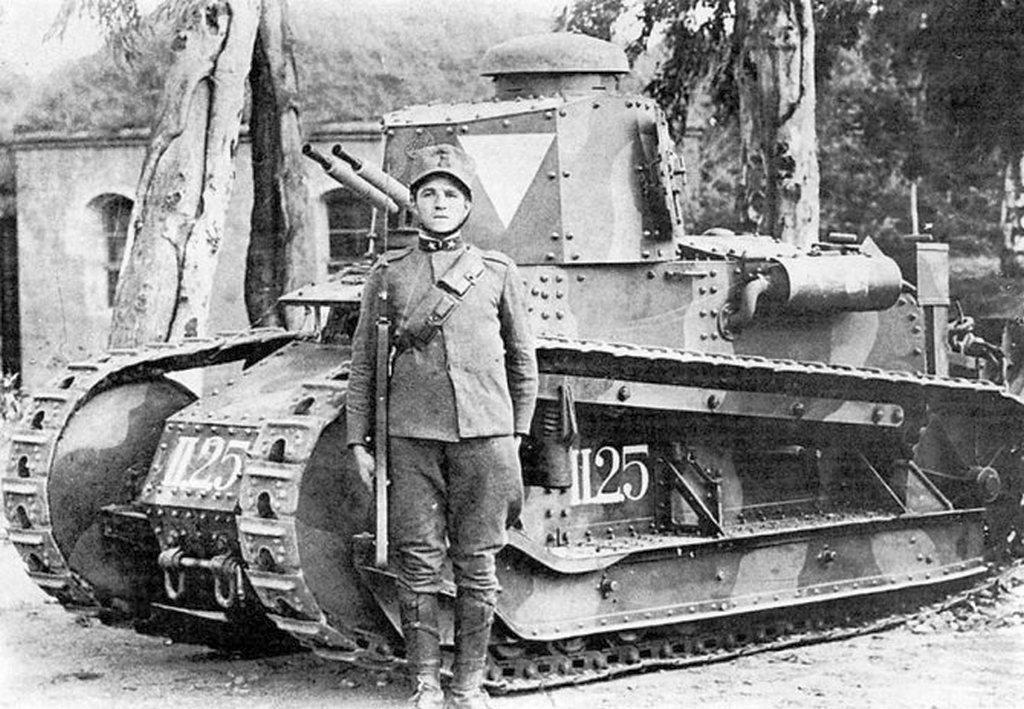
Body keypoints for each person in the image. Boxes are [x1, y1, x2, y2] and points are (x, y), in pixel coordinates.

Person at [346, 143, 538, 709]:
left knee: (478, 563)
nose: (439, 203)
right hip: (411, 439)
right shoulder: (388, 275)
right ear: (415, 205)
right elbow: (363, 366)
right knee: (418, 563)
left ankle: (468, 684)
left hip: (485, 437)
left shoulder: (497, 272)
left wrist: (516, 433)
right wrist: (359, 440)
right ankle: (426, 683)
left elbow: (523, 361)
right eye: (428, 193)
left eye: (451, 194)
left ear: (467, 205)